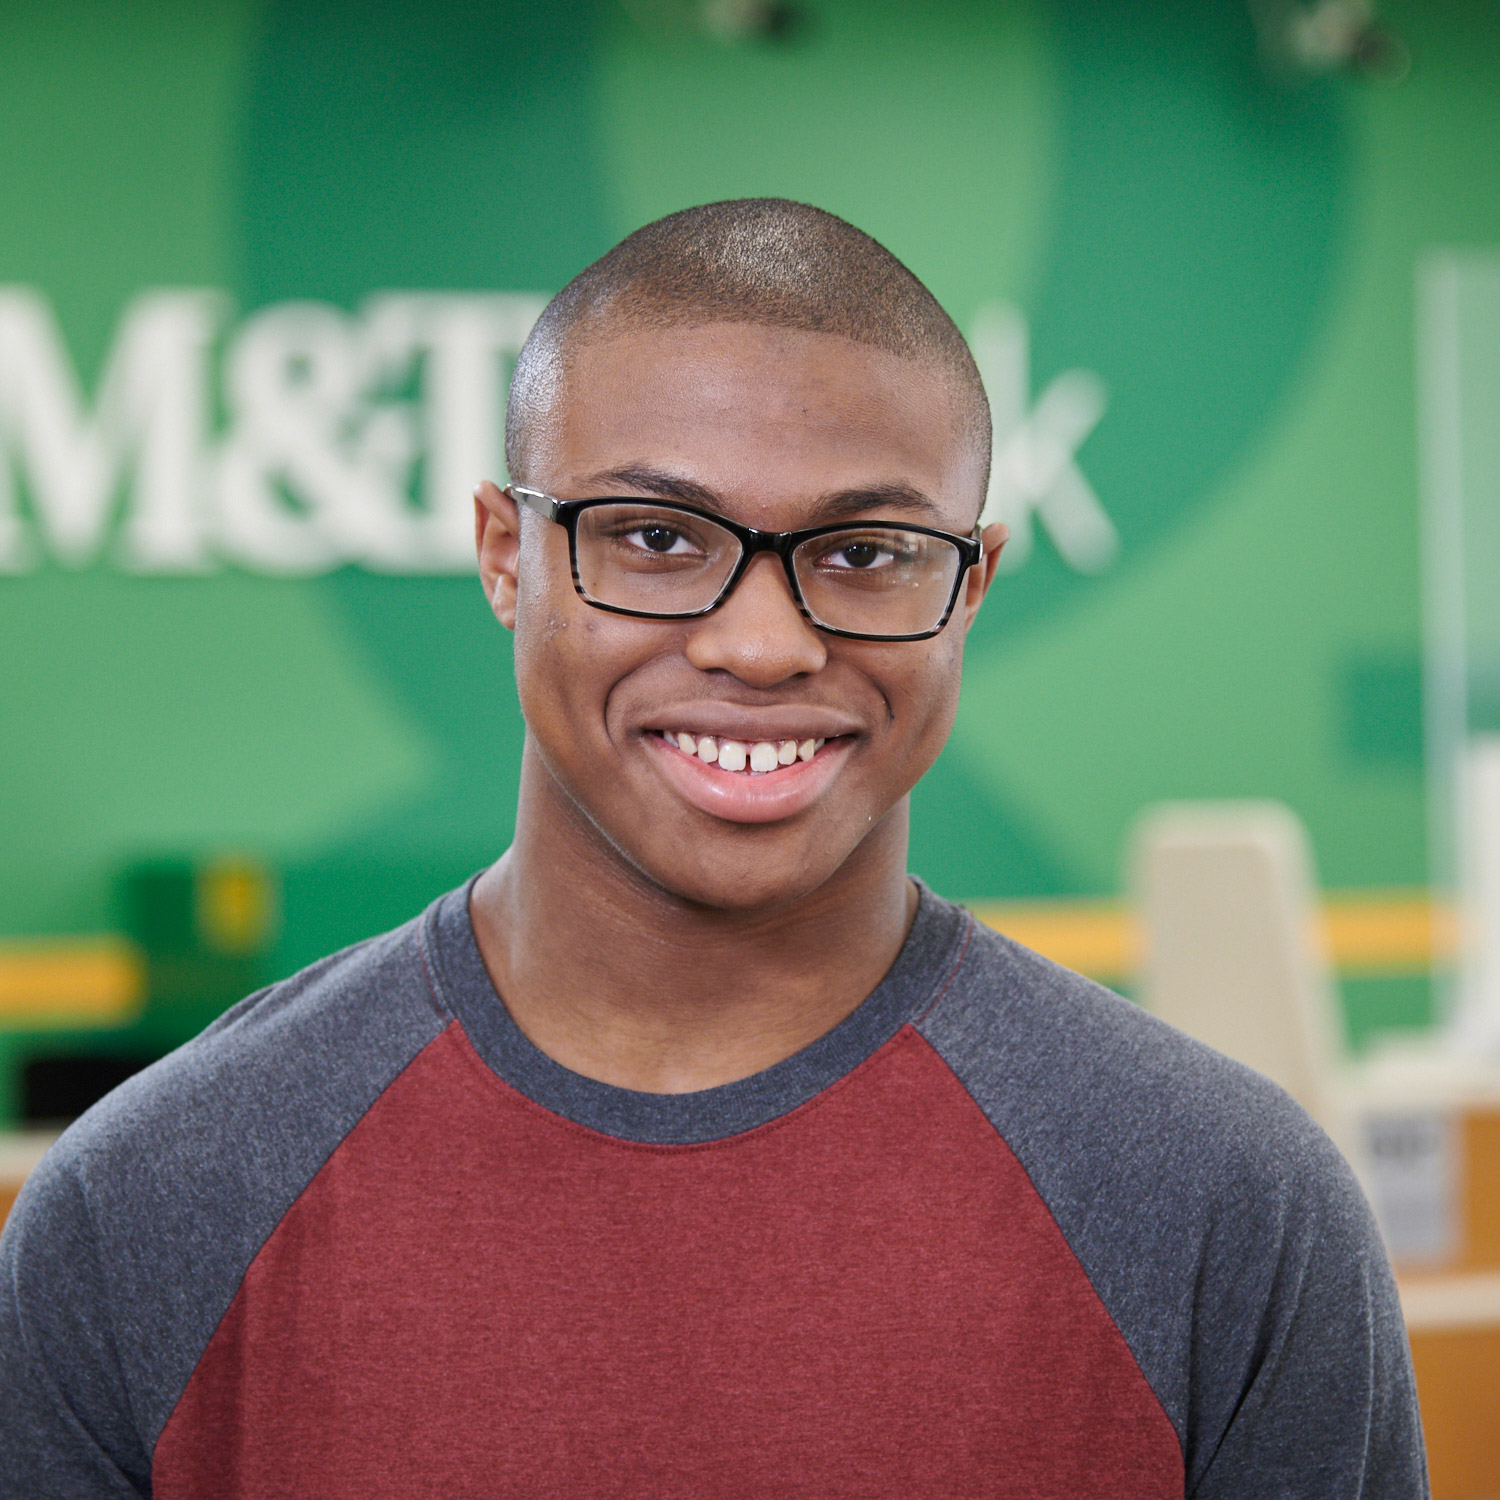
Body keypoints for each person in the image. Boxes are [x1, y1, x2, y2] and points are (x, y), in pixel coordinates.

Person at [0, 200, 1424, 1499]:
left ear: (971, 587)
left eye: (867, 553)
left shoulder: (1228, 1210)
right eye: (656, 539)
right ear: (507, 554)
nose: (761, 643)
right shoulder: (149, 1208)